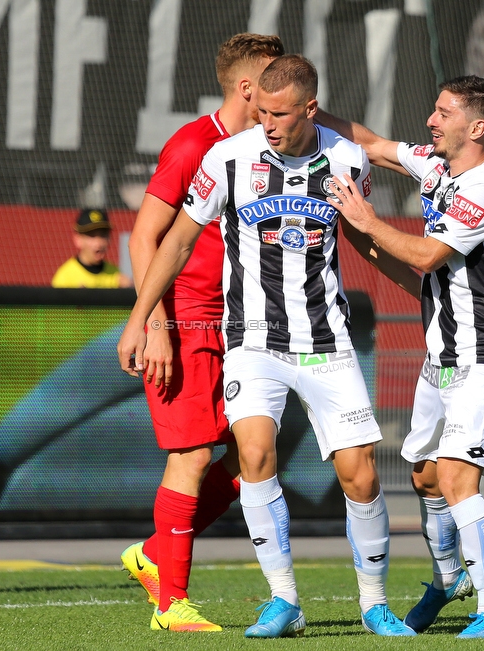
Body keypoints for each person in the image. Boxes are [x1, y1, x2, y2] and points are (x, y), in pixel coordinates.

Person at [119, 54, 415, 639]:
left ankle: (375, 604)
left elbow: (365, 240)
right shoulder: (226, 158)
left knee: (360, 474)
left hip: (327, 341)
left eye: (280, 114)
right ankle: (283, 600)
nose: (268, 124)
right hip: (252, 340)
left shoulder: (346, 157)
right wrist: (141, 318)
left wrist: (422, 294)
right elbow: (175, 243)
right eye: (261, 112)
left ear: (309, 109)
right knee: (253, 455)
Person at [323, 75, 484, 639]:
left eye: (443, 113)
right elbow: (376, 144)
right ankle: (447, 579)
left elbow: (430, 255)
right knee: (426, 478)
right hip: (442, 356)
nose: (431, 121)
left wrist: (365, 221)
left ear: (476, 127)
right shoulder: (437, 168)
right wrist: (312, 117)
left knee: (459, 479)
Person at [119, 32, 284, 633]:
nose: (284, 90)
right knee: (190, 454)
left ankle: (154, 555)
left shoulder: (271, 147)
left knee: (254, 456)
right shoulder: (194, 143)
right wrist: (155, 323)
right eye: (273, 81)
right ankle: (172, 605)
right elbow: (144, 237)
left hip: (242, 322)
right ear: (248, 89)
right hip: (186, 318)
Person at [51, 208, 132, 288]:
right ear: (78, 239)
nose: (99, 243)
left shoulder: (115, 275)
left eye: (103, 235)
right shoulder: (65, 278)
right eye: (92, 236)